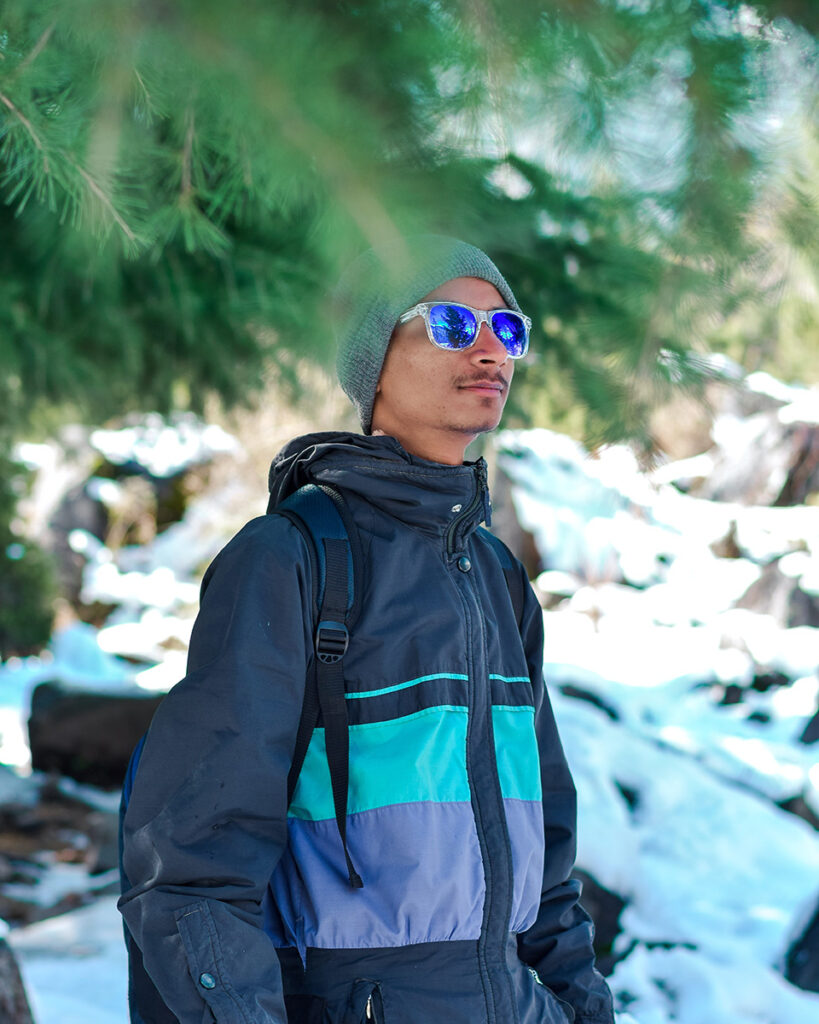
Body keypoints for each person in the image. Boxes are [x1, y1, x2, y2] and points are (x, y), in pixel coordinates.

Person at [119, 236, 615, 1024]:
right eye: (454, 325)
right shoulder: (289, 559)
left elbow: (547, 866)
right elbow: (192, 865)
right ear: (374, 355)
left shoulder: (495, 575)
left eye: (507, 330)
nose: (491, 351)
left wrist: (583, 1010)